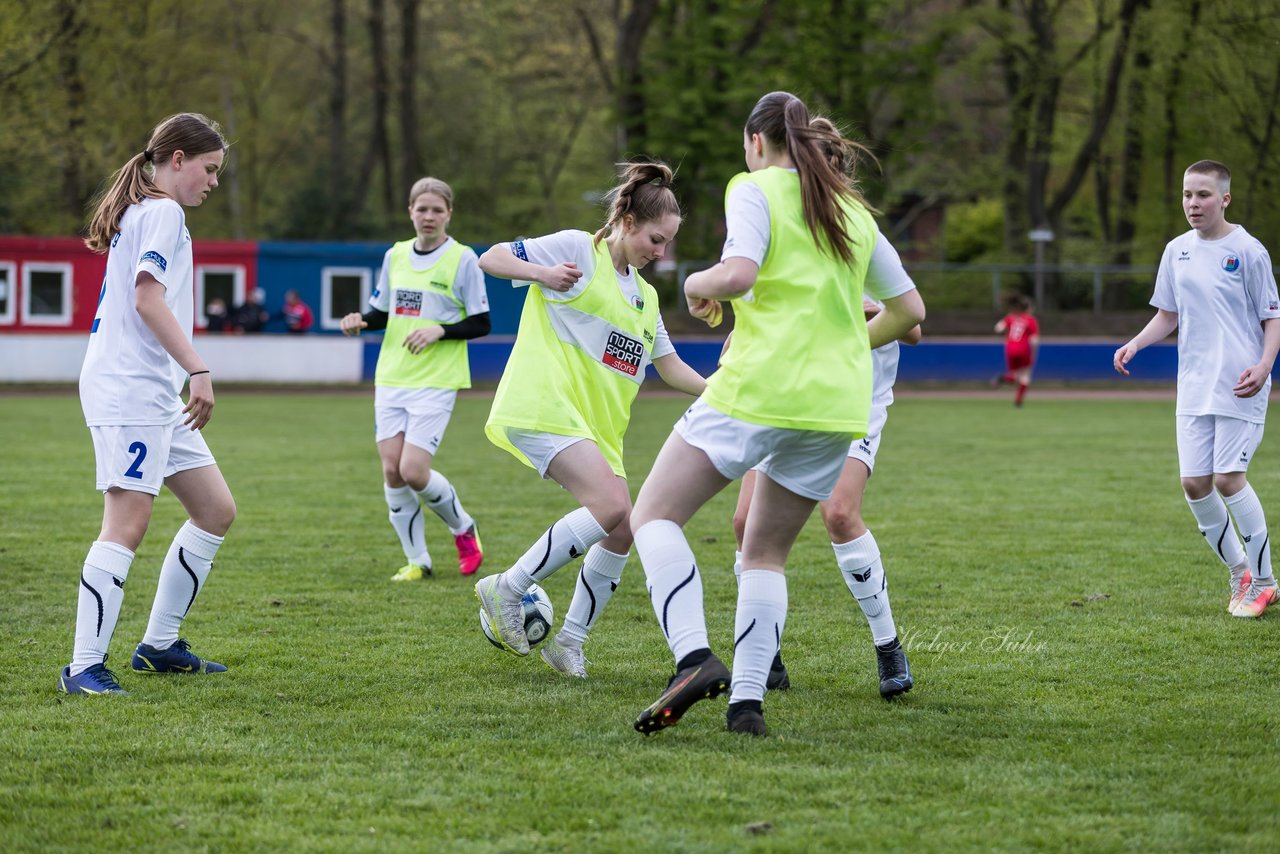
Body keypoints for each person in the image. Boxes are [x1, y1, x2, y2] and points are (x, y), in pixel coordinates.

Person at [628, 91, 925, 737]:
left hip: (762, 388)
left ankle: (695, 658)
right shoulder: (852, 211)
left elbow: (736, 276)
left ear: (756, 141)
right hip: (836, 406)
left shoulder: (755, 188)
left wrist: (692, 285)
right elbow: (909, 313)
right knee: (765, 552)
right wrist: (844, 345)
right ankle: (747, 708)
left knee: (651, 514)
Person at [474, 159, 707, 679]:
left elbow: (668, 366)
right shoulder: (580, 248)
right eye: (654, 238)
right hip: (543, 403)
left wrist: (722, 390)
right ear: (626, 222)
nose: (660, 252)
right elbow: (490, 258)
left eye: (667, 243)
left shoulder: (645, 299)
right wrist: (540, 272)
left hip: (598, 431)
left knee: (624, 527)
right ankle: (505, 588)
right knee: (611, 506)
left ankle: (570, 644)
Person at [60, 112, 235, 695]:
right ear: (177, 160)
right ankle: (84, 666)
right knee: (126, 524)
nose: (213, 181)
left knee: (214, 509)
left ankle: (158, 645)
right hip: (129, 388)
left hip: (150, 390)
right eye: (209, 169)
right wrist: (199, 370)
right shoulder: (162, 210)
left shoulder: (148, 209)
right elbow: (146, 299)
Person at [730, 296, 921, 700]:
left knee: (839, 513)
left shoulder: (870, 254)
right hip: (785, 403)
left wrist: (857, 304)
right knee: (745, 524)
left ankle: (888, 647)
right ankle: (766, 654)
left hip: (851, 408)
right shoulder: (782, 251)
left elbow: (914, 328)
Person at [1114, 159, 1280, 619]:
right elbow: (1168, 313)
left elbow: (1272, 315)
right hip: (1193, 386)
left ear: (1225, 198)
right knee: (1193, 483)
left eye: (1203, 194)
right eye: (1188, 194)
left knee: (1229, 479)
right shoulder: (1176, 250)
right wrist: (1135, 343)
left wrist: (1265, 365)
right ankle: (1240, 573)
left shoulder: (1248, 250)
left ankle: (1266, 582)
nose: (1193, 203)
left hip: (1240, 384)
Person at [340, 177, 488, 580]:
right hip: (392, 376)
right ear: (410, 211)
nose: (428, 216)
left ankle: (463, 528)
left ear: (449, 214)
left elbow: (481, 322)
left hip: (437, 380)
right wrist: (359, 321)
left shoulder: (463, 259)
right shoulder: (396, 255)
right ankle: (417, 561)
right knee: (391, 470)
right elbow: (383, 313)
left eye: (436, 210)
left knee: (414, 471)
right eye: (421, 209)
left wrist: (440, 329)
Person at [993, 293, 1038, 407]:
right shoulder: (1030, 320)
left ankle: (1003, 378)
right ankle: (1018, 401)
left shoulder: (1010, 317)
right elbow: (1034, 341)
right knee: (1025, 376)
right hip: (1023, 349)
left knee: (1014, 376)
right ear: (1028, 308)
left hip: (1010, 348)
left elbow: (998, 328)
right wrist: (1033, 354)